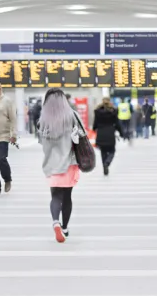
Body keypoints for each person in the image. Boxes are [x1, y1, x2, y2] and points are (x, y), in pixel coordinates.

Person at [38, 88, 83, 243]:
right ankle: (64, 227)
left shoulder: (43, 119)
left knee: (55, 195)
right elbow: (82, 135)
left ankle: (55, 222)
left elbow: (41, 141)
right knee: (67, 196)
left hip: (51, 163)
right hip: (69, 162)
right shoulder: (72, 115)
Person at [93, 97, 121, 176]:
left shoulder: (97, 111)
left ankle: (104, 166)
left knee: (103, 151)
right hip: (110, 133)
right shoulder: (113, 111)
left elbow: (95, 123)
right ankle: (107, 163)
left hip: (101, 132)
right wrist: (121, 132)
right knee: (112, 151)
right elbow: (117, 123)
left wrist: (94, 128)